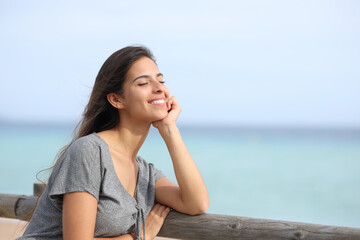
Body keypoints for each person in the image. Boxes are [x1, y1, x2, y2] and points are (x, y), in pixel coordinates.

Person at [17, 46, 209, 240]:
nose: (159, 88)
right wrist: (138, 236)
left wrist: (170, 131)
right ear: (116, 100)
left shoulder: (144, 173)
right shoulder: (90, 151)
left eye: (161, 80)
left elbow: (196, 203)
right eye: (143, 83)